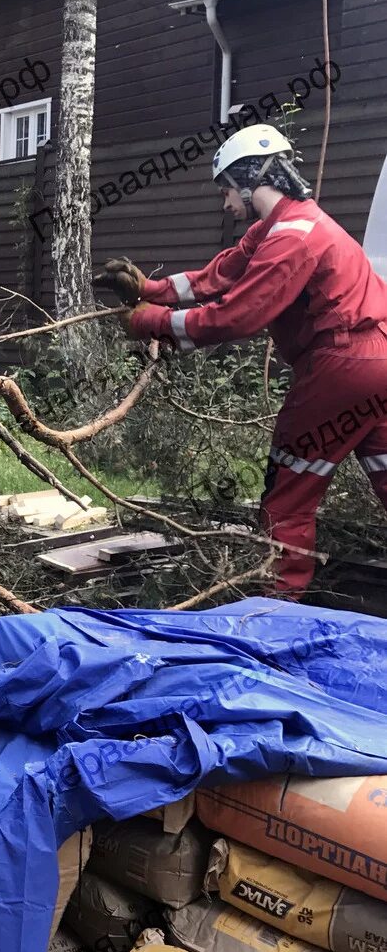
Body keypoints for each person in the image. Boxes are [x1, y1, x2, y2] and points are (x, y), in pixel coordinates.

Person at [94, 123, 387, 598]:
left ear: (251, 181)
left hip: (342, 365)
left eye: (228, 190)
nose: (226, 203)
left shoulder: (291, 238)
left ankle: (275, 613)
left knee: (288, 492)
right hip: (380, 362)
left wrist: (151, 324)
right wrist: (146, 289)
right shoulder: (281, 227)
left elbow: (236, 317)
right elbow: (217, 277)